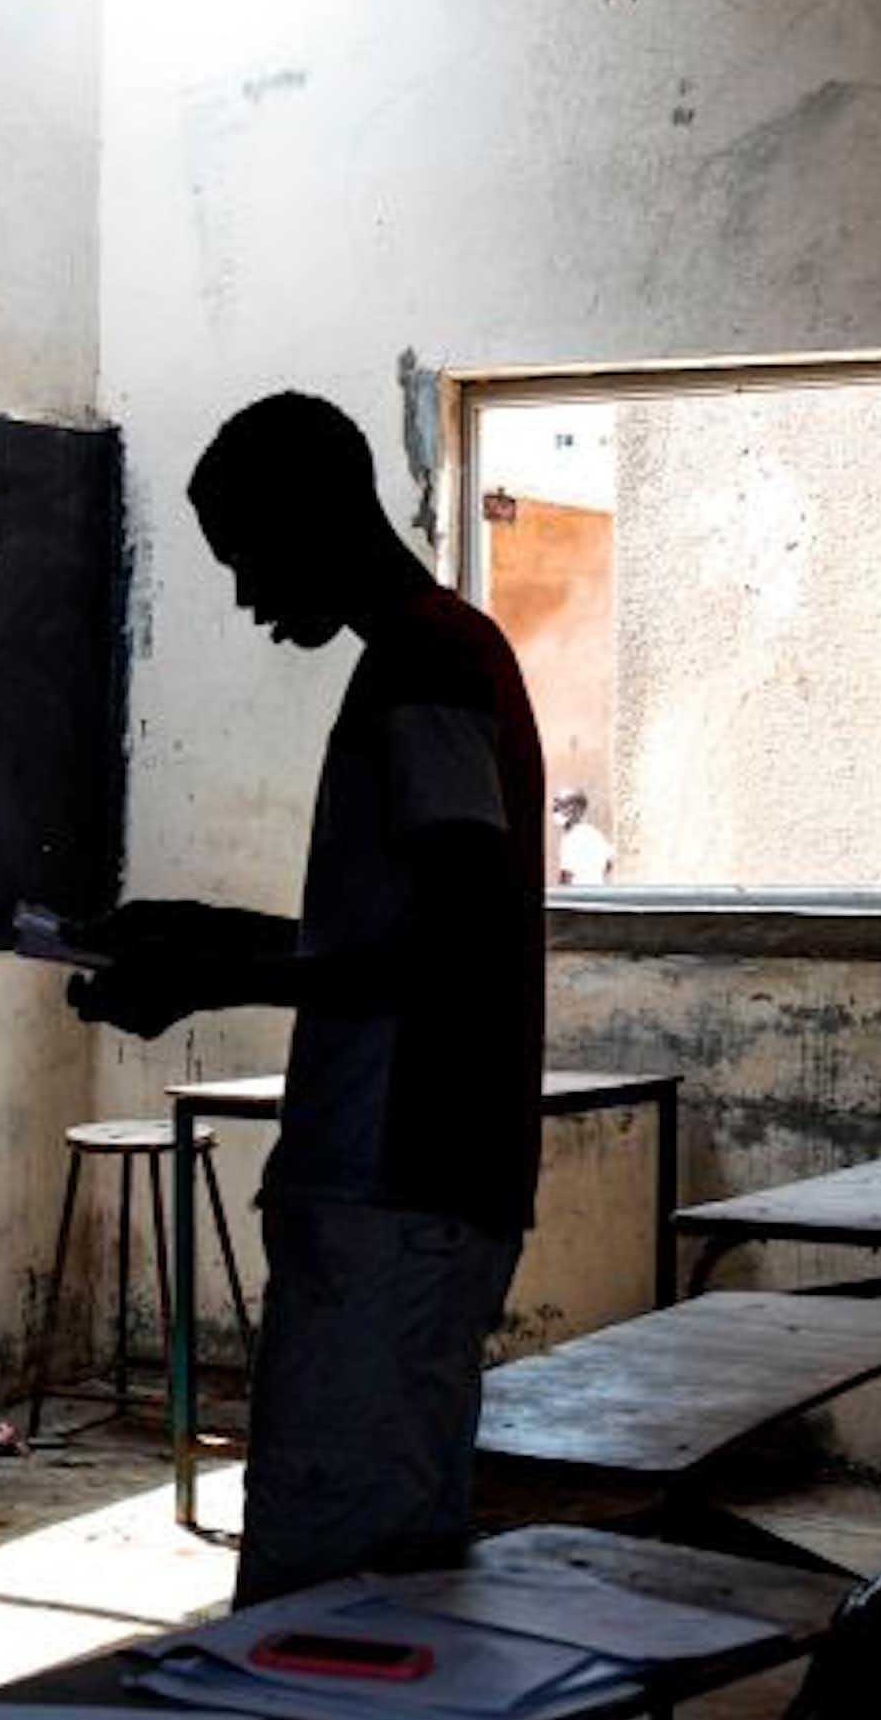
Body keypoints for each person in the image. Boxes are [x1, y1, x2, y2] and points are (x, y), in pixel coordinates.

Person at [69, 391, 546, 1607]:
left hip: (399, 1183)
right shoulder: (438, 655)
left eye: (251, 558)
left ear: (323, 515)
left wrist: (215, 978)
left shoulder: (424, 670)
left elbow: (453, 944)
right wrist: (199, 934)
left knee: (335, 1615)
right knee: (377, 1614)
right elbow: (395, 929)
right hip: (408, 1186)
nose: (245, 597)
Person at [552, 788, 614, 886]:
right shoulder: (593, 833)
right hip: (596, 891)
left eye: (562, 806)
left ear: (578, 809)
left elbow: (566, 875)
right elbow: (609, 864)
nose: (557, 810)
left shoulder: (573, 837)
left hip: (578, 893)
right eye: (556, 807)